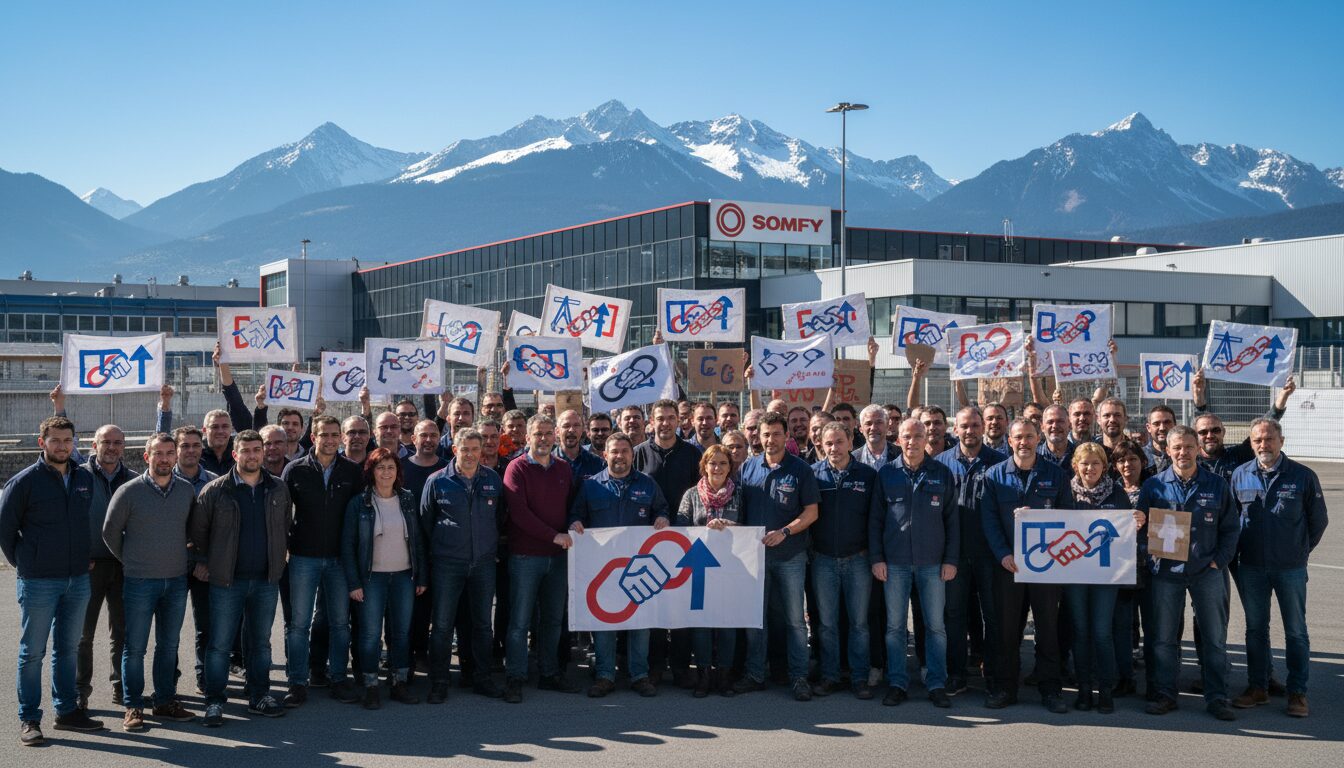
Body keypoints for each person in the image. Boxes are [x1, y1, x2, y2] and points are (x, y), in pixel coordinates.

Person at [2, 416, 104, 744]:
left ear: (75, 443)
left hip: (77, 579)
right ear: (41, 442)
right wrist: (27, 562)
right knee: (32, 652)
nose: (61, 446)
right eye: (55, 440)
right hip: (38, 581)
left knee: (68, 649)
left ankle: (67, 711)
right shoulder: (24, 482)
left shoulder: (82, 478)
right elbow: (5, 531)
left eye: (67, 440)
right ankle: (30, 718)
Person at [1136, 425, 1240, 721]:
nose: (1183, 453)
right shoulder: (1153, 486)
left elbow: (1231, 528)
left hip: (1206, 572)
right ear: (1167, 450)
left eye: (1189, 447)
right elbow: (1141, 529)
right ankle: (1165, 694)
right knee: (1164, 638)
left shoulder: (1217, 485)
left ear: (1197, 449)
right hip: (1166, 573)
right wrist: (1151, 555)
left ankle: (1218, 697)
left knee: (1213, 638)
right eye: (1177, 447)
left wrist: (1219, 561)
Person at [190, 430, 292, 727]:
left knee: (260, 643)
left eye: (256, 450)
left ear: (263, 453)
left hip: (265, 579)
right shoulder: (214, 490)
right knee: (220, 643)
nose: (252, 455)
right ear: (235, 454)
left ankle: (260, 695)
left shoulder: (278, 489)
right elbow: (199, 533)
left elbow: (284, 525)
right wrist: (204, 562)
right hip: (226, 581)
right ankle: (214, 701)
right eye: (245, 450)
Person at [1229, 418, 1328, 718]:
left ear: (1281, 441)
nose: (1263, 445)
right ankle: (1258, 687)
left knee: (1296, 632)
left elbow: (1318, 521)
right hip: (1252, 568)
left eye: (1269, 439)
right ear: (1252, 443)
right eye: (1257, 440)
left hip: (1290, 569)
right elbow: (1232, 521)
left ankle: (1297, 693)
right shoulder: (1239, 475)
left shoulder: (1302, 476)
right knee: (1256, 630)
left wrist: (1299, 552)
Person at [103, 433, 197, 730]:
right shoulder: (129, 492)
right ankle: (133, 705)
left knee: (168, 646)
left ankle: (164, 701)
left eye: (170, 453)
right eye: (159, 453)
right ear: (147, 456)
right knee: (135, 647)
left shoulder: (185, 491)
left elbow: (191, 532)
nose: (165, 458)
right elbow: (110, 533)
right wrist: (131, 559)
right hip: (139, 581)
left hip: (176, 581)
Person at [569, 432, 670, 698]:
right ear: (605, 455)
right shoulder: (591, 486)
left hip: (639, 569)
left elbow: (662, 509)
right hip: (603, 570)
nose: (619, 456)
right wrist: (575, 524)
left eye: (625, 451)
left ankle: (639, 675)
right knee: (604, 623)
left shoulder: (647, 484)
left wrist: (662, 519)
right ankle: (605, 675)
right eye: (614, 451)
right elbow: (576, 515)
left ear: (632, 454)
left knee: (640, 623)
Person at [980, 417, 1070, 713]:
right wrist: (1003, 554)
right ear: (1009, 440)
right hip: (1008, 566)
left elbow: (1067, 519)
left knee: (1048, 629)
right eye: (1018, 437)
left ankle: (1050, 689)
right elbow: (989, 520)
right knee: (1007, 631)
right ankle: (1006, 687)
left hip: (1045, 568)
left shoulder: (1055, 475)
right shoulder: (993, 476)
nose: (1024, 442)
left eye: (1030, 437)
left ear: (1038, 438)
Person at [871, 419, 958, 708]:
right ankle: (897, 682)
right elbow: (875, 521)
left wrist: (950, 560)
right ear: (899, 439)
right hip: (893, 563)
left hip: (933, 564)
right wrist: (877, 558)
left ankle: (936, 683)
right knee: (895, 627)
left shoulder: (942, 473)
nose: (912, 442)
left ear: (927, 439)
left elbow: (952, 523)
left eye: (918, 436)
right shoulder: (886, 474)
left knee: (935, 627)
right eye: (907, 436)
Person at [280, 415, 364, 708]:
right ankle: (297, 682)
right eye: (323, 434)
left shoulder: (353, 471)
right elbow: (281, 514)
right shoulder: (295, 470)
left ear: (340, 438)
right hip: (303, 557)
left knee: (341, 623)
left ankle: (338, 678)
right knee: (299, 623)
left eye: (333, 434)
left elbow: (358, 518)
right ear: (312, 438)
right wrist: (284, 548)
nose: (329, 439)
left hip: (340, 560)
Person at [736, 412, 819, 700]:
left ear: (786, 436)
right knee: (755, 619)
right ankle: (755, 674)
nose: (770, 440)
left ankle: (799, 677)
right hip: (755, 558)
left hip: (790, 555)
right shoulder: (748, 468)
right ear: (757, 436)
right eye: (765, 434)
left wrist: (785, 531)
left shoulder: (801, 470)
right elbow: (740, 511)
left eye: (776, 434)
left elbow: (811, 513)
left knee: (795, 621)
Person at [421, 428, 505, 703]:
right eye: (464, 449)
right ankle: (439, 682)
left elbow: (501, 518)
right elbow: (425, 523)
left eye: (474, 449)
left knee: (483, 625)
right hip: (447, 564)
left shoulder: (492, 479)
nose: (469, 454)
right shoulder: (437, 481)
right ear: (454, 449)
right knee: (443, 625)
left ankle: (482, 678)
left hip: (482, 564)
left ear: (481, 451)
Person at [341, 448, 427, 709]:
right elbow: (348, 545)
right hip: (371, 578)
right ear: (371, 471)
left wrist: (421, 575)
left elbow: (419, 541)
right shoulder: (359, 503)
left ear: (397, 471)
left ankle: (398, 682)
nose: (386, 472)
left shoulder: (408, 499)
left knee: (401, 633)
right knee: (369, 634)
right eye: (380, 467)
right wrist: (354, 582)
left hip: (403, 576)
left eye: (391, 467)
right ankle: (370, 685)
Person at [501, 414, 578, 703]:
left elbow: (571, 506)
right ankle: (516, 677)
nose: (543, 438)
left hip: (558, 558)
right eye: (538, 433)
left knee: (553, 620)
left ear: (555, 435)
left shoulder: (563, 468)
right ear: (528, 436)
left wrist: (573, 527)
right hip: (526, 557)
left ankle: (549, 674)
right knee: (520, 622)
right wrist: (553, 536)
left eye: (548, 433)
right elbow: (519, 515)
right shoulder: (516, 468)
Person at [1062, 443, 1144, 714]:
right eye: (1084, 463)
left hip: (1106, 576)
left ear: (1104, 467)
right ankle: (1084, 689)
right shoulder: (1067, 493)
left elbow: (1126, 531)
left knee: (1101, 632)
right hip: (1074, 574)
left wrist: (1137, 519)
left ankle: (1105, 691)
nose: (1090, 468)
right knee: (1080, 632)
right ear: (1076, 466)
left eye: (1095, 463)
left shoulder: (1117, 493)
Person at [937, 406, 1006, 696]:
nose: (970, 431)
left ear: (983, 428)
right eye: (964, 426)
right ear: (956, 430)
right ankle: (956, 674)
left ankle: (992, 673)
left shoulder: (1000, 463)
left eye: (975, 425)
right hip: (953, 555)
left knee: (993, 615)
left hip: (989, 555)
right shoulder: (940, 464)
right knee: (954, 616)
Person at [810, 422, 879, 700]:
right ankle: (830, 676)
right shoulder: (813, 475)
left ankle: (859, 678)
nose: (834, 448)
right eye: (828, 443)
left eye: (839, 442)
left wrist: (875, 557)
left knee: (859, 624)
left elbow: (876, 521)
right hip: (823, 560)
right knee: (826, 624)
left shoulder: (868, 475)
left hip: (858, 560)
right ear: (822, 445)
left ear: (851, 442)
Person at [676, 444, 742, 698]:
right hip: (699, 570)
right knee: (702, 623)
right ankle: (703, 674)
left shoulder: (741, 494)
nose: (717, 468)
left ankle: (724, 675)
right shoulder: (691, 495)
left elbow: (750, 529)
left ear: (730, 467)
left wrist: (731, 525)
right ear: (704, 466)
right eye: (712, 463)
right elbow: (680, 525)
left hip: (731, 568)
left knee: (728, 623)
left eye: (723, 463)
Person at [78, 423, 136, 714]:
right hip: (89, 566)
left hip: (124, 565)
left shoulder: (135, 480)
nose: (111, 447)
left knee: (122, 632)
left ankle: (121, 686)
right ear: (94, 445)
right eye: (106, 442)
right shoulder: (78, 476)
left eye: (117, 442)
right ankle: (80, 691)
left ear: (124, 446)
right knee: (82, 633)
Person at [170, 425, 221, 696]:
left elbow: (221, 529)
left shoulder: (214, 481)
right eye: (185, 446)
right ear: (176, 449)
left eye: (195, 445)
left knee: (206, 627)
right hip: (173, 567)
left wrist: (206, 561)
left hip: (203, 568)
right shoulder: (165, 479)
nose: (191, 450)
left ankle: (205, 677)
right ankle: (169, 681)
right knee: (170, 630)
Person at [1110, 440, 1153, 699]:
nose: (1128, 465)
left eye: (1133, 459)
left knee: (1154, 627)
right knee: (1123, 627)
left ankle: (1156, 682)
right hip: (1120, 570)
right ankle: (1125, 677)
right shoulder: (1111, 491)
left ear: (1143, 462)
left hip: (1150, 569)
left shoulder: (1156, 488)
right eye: (1122, 461)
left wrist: (1148, 520)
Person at [556, 409, 606, 485]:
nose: (571, 430)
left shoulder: (597, 463)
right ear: (557, 431)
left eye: (576, 425)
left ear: (582, 429)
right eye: (566, 426)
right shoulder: (547, 463)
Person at [854, 404, 898, 469]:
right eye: (868, 423)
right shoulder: (852, 459)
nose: (873, 428)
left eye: (879, 422)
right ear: (861, 429)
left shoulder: (901, 455)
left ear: (887, 426)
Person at [1036, 405, 1073, 469]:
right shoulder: (1033, 457)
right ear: (1042, 427)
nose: (1055, 426)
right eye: (1050, 422)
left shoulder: (1080, 456)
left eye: (1060, 421)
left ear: (1069, 425)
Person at [1143, 405, 1176, 472]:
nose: (1162, 428)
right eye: (1156, 423)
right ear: (1148, 427)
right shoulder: (1139, 456)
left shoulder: (1185, 455)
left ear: (1175, 425)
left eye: (1167, 422)